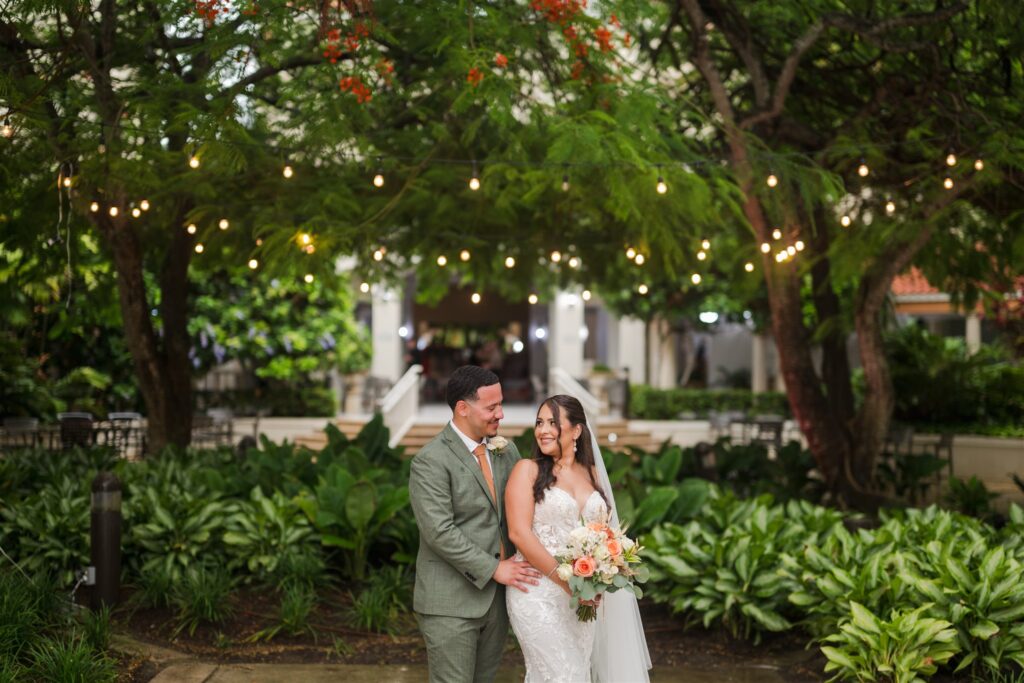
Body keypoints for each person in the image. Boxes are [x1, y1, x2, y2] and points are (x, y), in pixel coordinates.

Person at [505, 395, 652, 682]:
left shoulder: (593, 474)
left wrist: (601, 575)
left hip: (582, 601)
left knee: (579, 673)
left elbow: (606, 536)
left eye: (553, 423)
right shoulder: (527, 470)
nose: (543, 430)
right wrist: (568, 585)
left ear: (576, 430)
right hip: (537, 592)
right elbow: (519, 533)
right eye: (539, 423)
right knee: (564, 675)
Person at [409, 365, 541, 683]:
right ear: (463, 408)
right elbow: (439, 532)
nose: (501, 414)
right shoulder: (430, 460)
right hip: (450, 603)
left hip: (498, 601)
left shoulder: (506, 451)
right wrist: (494, 569)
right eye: (491, 407)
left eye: (501, 404)